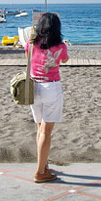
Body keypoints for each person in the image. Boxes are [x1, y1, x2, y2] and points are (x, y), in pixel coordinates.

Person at [26, 13, 69, 183]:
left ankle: (43, 165)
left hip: (33, 87)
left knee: (40, 128)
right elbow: (64, 60)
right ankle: (40, 171)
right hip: (51, 86)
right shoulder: (60, 46)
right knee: (46, 130)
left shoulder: (31, 44)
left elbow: (27, 58)